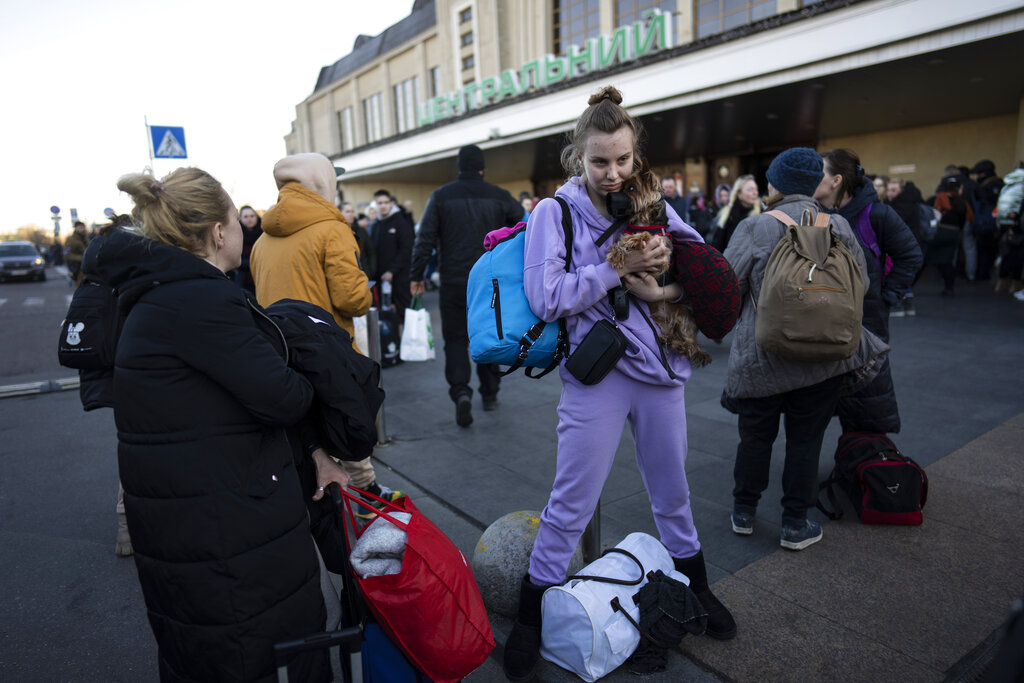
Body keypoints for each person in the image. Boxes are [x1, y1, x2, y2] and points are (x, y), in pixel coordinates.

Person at [502, 86, 735, 682]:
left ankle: (698, 587)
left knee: (673, 492)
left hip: (661, 370)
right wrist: (614, 269)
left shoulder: (652, 200)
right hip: (599, 374)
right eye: (600, 161)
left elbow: (700, 266)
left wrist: (664, 290)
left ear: (636, 155)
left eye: (623, 160)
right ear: (577, 156)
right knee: (571, 502)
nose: (613, 173)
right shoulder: (553, 212)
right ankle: (531, 615)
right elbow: (545, 297)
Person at [98, 167, 348, 681]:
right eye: (237, 220)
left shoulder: (155, 293)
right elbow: (285, 398)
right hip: (227, 529)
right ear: (218, 231)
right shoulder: (202, 302)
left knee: (204, 653)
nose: (243, 231)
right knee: (264, 653)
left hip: (188, 517)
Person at [722, 147, 885, 552]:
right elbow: (860, 285)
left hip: (764, 356)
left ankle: (744, 511)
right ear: (814, 183)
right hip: (823, 358)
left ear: (774, 184)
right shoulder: (840, 227)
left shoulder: (755, 227)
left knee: (756, 438)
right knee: (805, 441)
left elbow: (727, 290)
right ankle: (795, 522)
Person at [251, 153, 402, 515]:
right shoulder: (332, 229)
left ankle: (356, 487)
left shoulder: (261, 241)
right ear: (322, 184)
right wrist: (366, 291)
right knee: (345, 423)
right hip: (328, 349)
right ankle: (363, 496)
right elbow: (352, 299)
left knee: (309, 431)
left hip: (281, 352)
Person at [409, 144, 525, 427]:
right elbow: (525, 226)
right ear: (482, 168)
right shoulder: (500, 196)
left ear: (459, 168)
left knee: (456, 340)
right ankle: (490, 393)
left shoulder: (440, 196)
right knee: (488, 334)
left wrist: (417, 275)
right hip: (489, 283)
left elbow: (424, 239)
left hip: (453, 280)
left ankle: (461, 391)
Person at [815, 149, 921, 436]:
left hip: (867, 328)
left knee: (865, 407)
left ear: (836, 180)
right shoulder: (814, 216)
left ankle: (861, 465)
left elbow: (910, 255)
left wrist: (886, 298)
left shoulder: (877, 214)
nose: (812, 178)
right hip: (820, 328)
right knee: (814, 413)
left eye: (819, 171)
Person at [926, 175, 974, 296]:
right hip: (955, 233)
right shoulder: (963, 202)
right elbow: (969, 218)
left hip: (940, 232)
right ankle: (949, 288)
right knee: (947, 261)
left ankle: (907, 289)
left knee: (926, 259)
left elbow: (932, 214)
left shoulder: (939, 198)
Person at [371, 188, 415, 320]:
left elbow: (407, 249)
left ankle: (406, 341)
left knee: (404, 315)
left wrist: (392, 270)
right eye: (379, 203)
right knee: (387, 317)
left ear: (391, 203)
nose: (383, 206)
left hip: (400, 279)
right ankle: (393, 341)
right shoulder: (376, 225)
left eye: (385, 202)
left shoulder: (401, 223)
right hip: (382, 281)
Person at [970, 159, 1003, 281]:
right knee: (982, 249)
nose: (978, 176)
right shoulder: (986, 185)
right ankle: (982, 272)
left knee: (988, 250)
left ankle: (984, 273)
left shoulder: (995, 185)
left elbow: (991, 201)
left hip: (991, 224)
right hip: (983, 224)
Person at [709, 174, 761, 252]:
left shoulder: (761, 214)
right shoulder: (726, 214)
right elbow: (718, 245)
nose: (755, 193)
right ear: (739, 194)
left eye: (756, 189)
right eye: (750, 190)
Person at [341, 200, 375, 276]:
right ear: (340, 213)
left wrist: (371, 271)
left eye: (352, 211)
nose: (351, 214)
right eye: (347, 211)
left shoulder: (361, 231)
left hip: (363, 274)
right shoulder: (337, 232)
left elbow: (371, 252)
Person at [234, 204, 263, 292]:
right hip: (244, 280)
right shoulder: (236, 236)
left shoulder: (264, 233)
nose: (249, 219)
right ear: (241, 219)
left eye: (252, 216)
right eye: (246, 216)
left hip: (261, 278)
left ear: (256, 217)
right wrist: (254, 262)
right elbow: (236, 261)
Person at [65, 220, 90, 285]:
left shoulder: (86, 238)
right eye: (80, 227)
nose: (83, 229)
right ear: (76, 228)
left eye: (83, 227)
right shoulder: (71, 240)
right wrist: (82, 258)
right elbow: (67, 255)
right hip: (79, 269)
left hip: (88, 268)